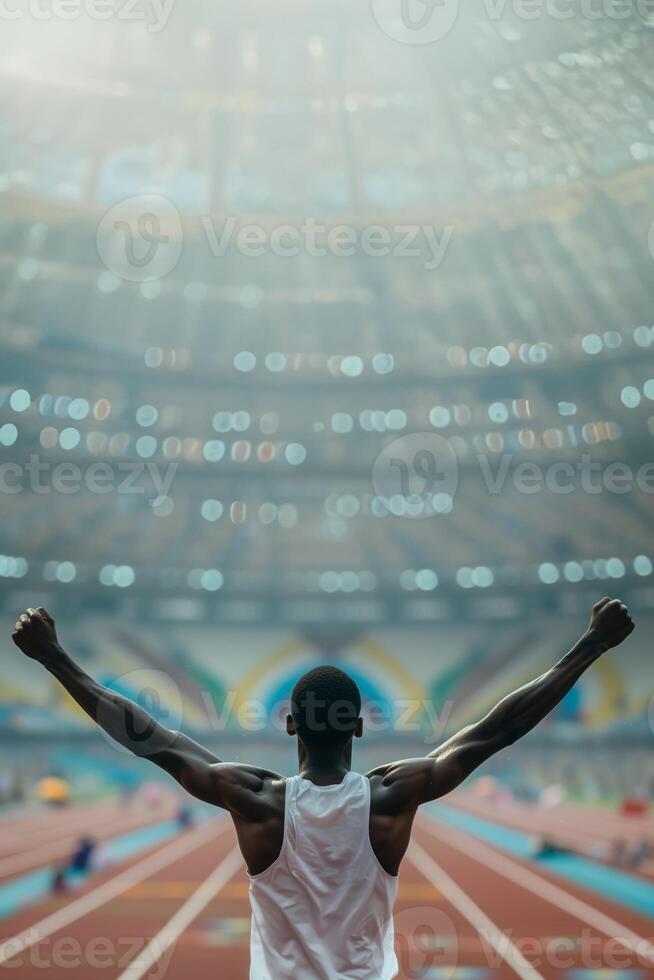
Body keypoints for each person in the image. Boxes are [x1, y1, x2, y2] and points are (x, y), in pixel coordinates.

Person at [11, 597, 634, 980]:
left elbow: (151, 738)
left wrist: (54, 659)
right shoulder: (393, 795)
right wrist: (592, 645)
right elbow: (500, 727)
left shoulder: (256, 799)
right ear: (360, 725)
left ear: (288, 723)